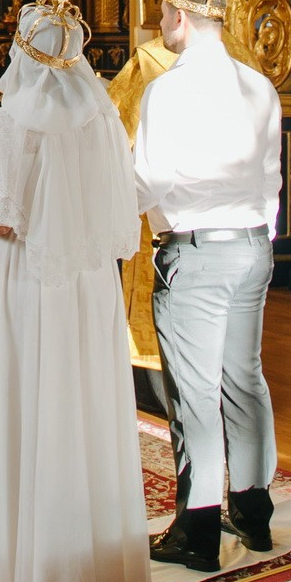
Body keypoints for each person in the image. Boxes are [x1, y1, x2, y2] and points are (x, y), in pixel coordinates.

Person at [0, 0, 150, 582]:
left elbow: (4, 219)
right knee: (82, 400)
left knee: (34, 398)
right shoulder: (102, 114)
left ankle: (33, 570)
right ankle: (92, 560)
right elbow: (120, 203)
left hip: (31, 279)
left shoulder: (15, 119)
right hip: (87, 281)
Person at [134, 0, 282, 574]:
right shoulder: (259, 86)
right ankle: (253, 512)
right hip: (252, 245)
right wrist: (257, 234)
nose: (161, 23)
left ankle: (196, 532)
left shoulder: (168, 90)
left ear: (182, 18)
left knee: (194, 394)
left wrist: (107, 210)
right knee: (244, 380)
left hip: (195, 251)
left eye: (164, 13)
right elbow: (271, 178)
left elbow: (150, 181)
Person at [107, 28, 176, 381]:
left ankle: (154, 384)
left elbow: (117, 127)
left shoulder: (151, 63)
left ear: (179, 16)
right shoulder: (245, 62)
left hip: (167, 224)